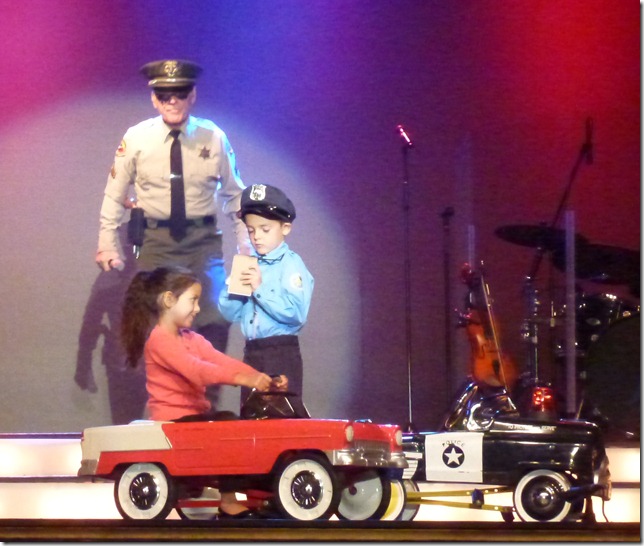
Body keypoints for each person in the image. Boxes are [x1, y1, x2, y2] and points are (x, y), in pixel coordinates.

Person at [96, 58, 250, 356]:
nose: (172, 101)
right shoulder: (137, 138)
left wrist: (246, 247)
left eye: (180, 93)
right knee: (157, 327)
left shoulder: (213, 137)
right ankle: (166, 388)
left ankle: (207, 388)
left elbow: (235, 195)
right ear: (154, 99)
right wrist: (107, 244)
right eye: (164, 95)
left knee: (215, 319)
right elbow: (115, 194)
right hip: (156, 243)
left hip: (202, 244)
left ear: (192, 95)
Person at [121, 265, 286, 518]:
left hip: (193, 420)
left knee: (240, 424)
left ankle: (261, 488)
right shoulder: (159, 340)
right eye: (193, 300)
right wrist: (245, 379)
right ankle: (228, 500)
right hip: (174, 422)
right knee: (228, 427)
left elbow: (221, 361)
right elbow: (196, 370)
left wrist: (263, 379)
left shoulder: (191, 339)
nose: (197, 308)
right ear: (169, 300)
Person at [218, 184, 314, 400]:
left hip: (280, 352)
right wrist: (231, 288)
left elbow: (296, 315)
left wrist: (259, 289)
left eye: (265, 229)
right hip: (252, 351)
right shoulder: (250, 263)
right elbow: (230, 314)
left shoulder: (291, 264)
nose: (257, 237)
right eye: (251, 230)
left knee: (279, 412)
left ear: (285, 228)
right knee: (251, 413)